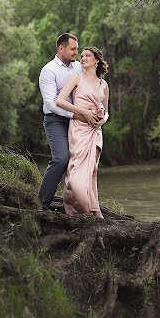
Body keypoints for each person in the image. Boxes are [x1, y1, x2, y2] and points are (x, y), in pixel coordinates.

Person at [38, 33, 101, 211]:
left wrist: (98, 110)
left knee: (79, 163)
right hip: (56, 120)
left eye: (77, 49)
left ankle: (79, 206)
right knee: (61, 159)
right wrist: (76, 115)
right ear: (61, 49)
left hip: (79, 122)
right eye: (73, 49)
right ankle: (42, 203)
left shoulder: (78, 68)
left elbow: (91, 87)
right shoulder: (49, 70)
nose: (76, 53)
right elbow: (51, 103)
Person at [56, 46, 109, 218]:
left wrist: (102, 119)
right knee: (74, 179)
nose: (83, 57)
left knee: (90, 173)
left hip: (95, 133)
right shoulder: (76, 78)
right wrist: (83, 112)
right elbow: (60, 101)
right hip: (79, 130)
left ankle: (96, 213)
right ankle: (84, 210)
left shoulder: (103, 85)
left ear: (96, 60)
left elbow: (107, 112)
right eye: (82, 55)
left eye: (87, 55)